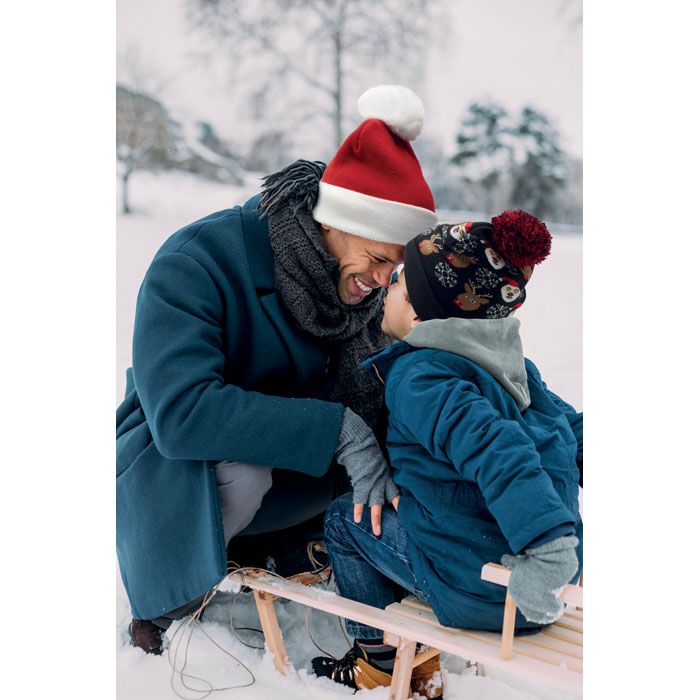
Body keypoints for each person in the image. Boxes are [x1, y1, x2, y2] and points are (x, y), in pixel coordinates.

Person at [117, 85, 438, 654]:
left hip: (291, 465)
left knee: (406, 439)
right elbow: (181, 414)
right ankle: (167, 599)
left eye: (397, 266)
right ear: (337, 220)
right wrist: (339, 427)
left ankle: (294, 546)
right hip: (181, 466)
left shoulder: (357, 290)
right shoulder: (195, 261)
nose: (384, 278)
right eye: (380, 257)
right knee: (247, 473)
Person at [312, 211, 583, 697]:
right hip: (543, 586)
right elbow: (573, 433)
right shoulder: (516, 368)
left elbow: (497, 451)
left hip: (489, 586)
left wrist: (546, 548)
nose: (384, 289)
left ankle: (376, 658)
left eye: (395, 282)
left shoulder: (422, 378)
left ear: (418, 313)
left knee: (344, 520)